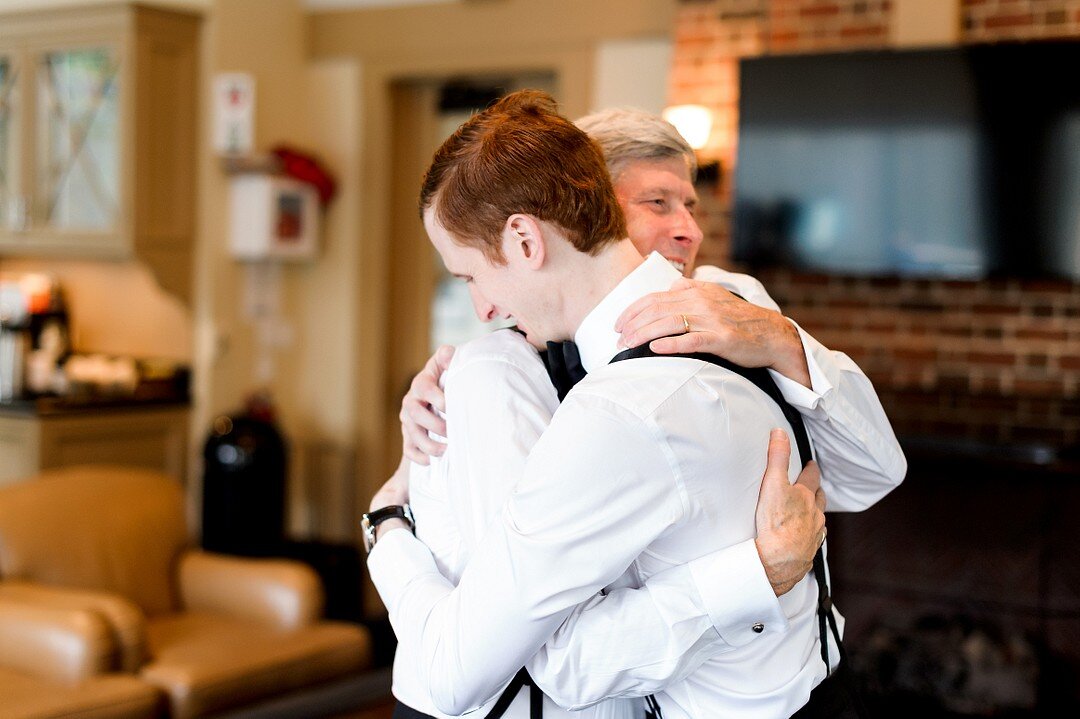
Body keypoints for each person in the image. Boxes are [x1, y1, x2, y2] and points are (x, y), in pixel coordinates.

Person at [367, 91, 904, 719]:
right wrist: (755, 574)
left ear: (529, 234)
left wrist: (384, 525)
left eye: (470, 277)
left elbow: (551, 666)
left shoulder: (720, 318)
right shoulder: (495, 371)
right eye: (657, 202)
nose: (690, 230)